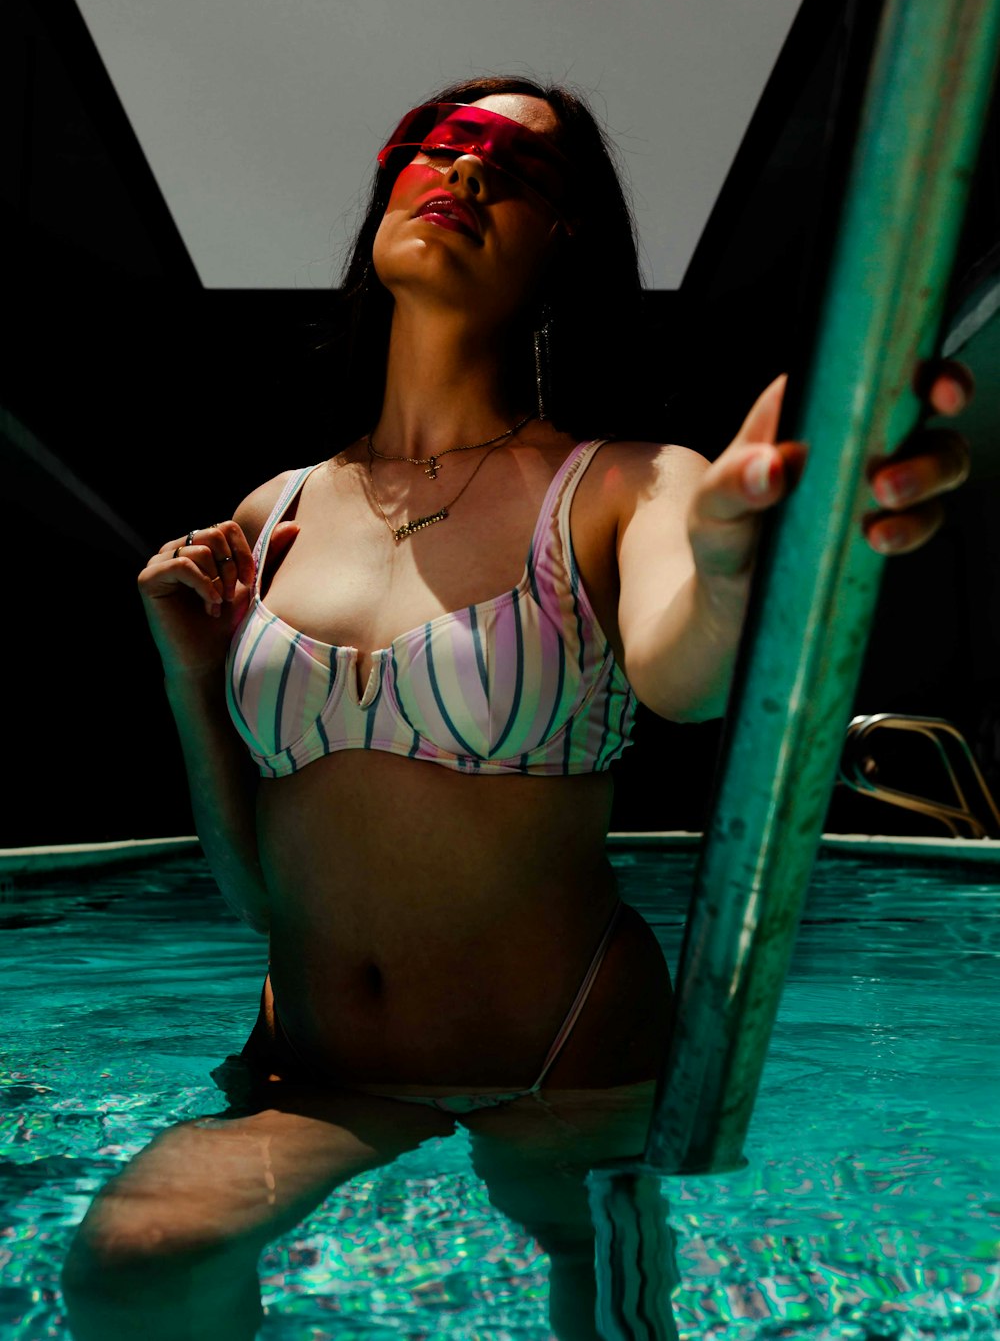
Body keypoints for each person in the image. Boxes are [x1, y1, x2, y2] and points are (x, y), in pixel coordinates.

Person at [63, 76, 973, 1340]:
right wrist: (187, 670)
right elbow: (257, 890)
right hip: (320, 1066)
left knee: (609, 1325)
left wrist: (723, 551)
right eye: (438, 145)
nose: (467, 172)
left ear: (567, 245)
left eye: (519, 171)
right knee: (135, 1264)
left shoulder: (627, 484)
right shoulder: (272, 513)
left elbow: (684, 674)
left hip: (567, 1064)